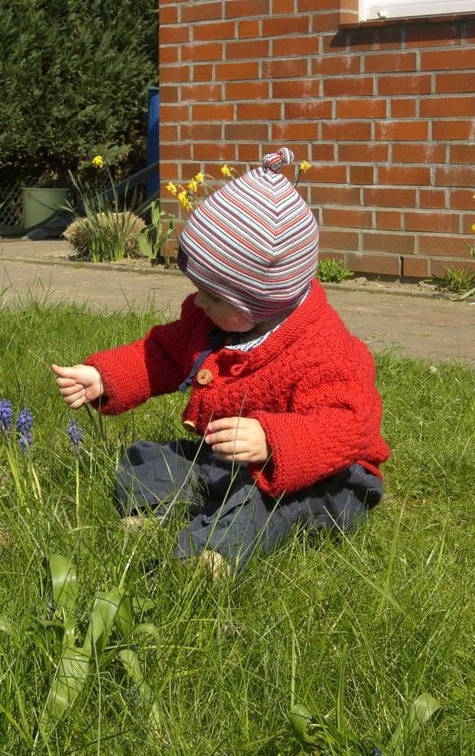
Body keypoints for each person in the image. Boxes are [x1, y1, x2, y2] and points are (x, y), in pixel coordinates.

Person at [52, 147, 390, 578]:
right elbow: (164, 355)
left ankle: (208, 558)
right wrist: (104, 376)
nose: (197, 300)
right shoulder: (213, 321)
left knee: (264, 502)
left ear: (263, 300)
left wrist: (273, 440)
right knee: (156, 463)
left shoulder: (323, 349)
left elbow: (349, 425)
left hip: (325, 475)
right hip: (237, 458)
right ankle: (154, 503)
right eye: (198, 288)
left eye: (214, 296)